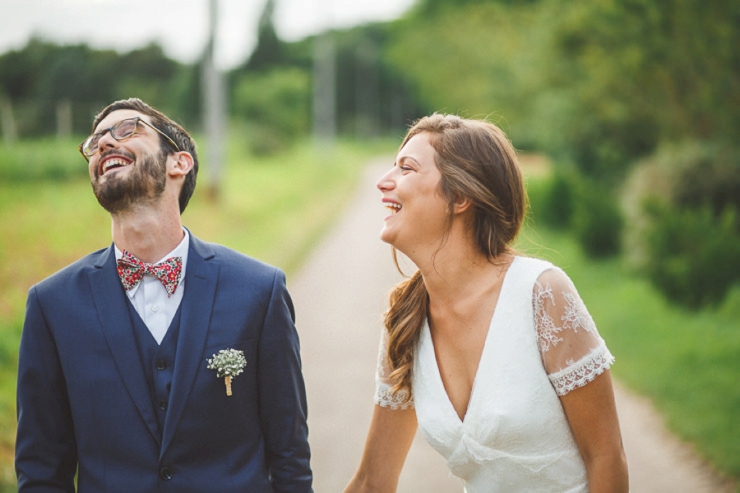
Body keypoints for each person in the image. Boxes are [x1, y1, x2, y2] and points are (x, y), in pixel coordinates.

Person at [15, 98, 313, 492]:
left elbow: (289, 454)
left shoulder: (260, 289)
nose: (103, 143)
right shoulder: (51, 305)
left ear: (179, 163)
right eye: (95, 140)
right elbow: (41, 471)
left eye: (126, 129)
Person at [344, 114, 629, 492]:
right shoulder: (405, 319)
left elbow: (606, 457)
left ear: (460, 198)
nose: (383, 181)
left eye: (406, 169)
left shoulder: (541, 294)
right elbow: (372, 482)